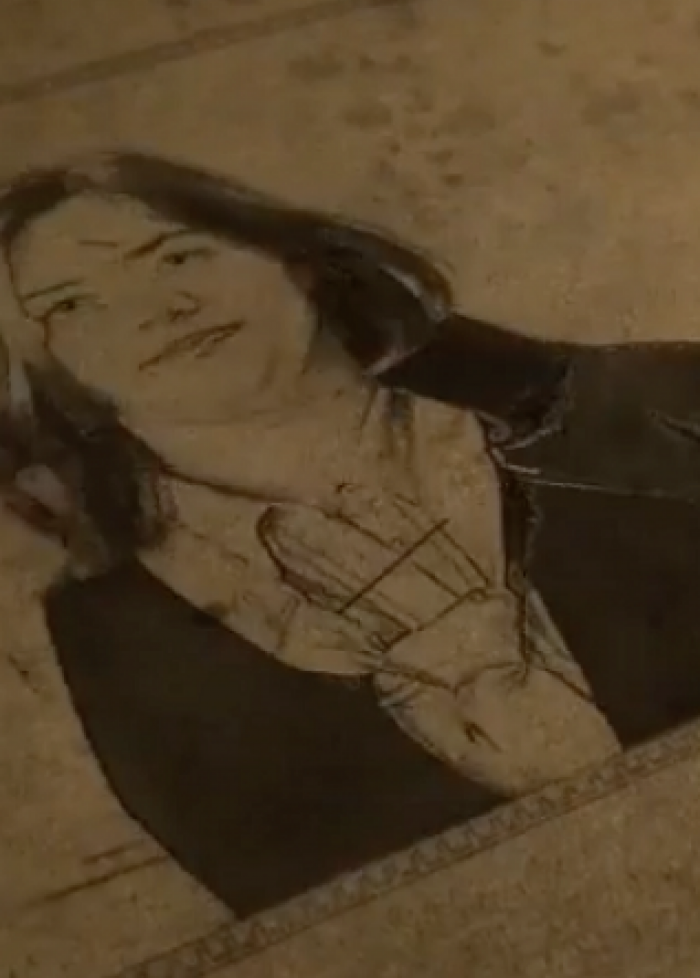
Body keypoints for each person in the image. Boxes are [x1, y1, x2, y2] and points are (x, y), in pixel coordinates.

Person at [0, 150, 618, 916]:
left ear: (297, 259)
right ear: (52, 370)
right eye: (71, 305)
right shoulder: (112, 628)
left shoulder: (590, 424)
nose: (153, 311)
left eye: (178, 256)